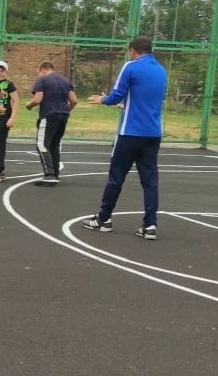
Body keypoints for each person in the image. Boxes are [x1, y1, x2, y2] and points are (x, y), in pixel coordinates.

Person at [82, 36, 167, 240]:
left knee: (116, 177)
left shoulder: (130, 67)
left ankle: (104, 219)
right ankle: (150, 225)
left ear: (133, 50)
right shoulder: (161, 71)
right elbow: (149, 99)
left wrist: (103, 99)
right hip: (153, 133)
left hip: (130, 133)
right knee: (150, 181)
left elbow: (116, 96)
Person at [25, 61, 77, 186]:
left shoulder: (42, 80)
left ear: (42, 70)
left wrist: (29, 105)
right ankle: (55, 174)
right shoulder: (66, 81)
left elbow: (38, 99)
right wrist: (65, 111)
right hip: (63, 116)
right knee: (54, 145)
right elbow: (74, 100)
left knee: (42, 145)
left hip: (49, 115)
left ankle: (49, 175)